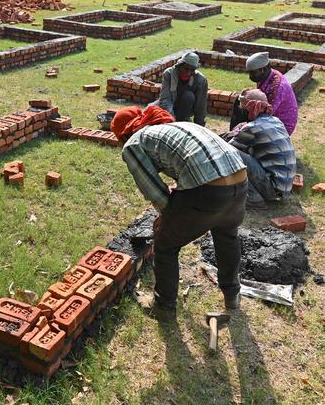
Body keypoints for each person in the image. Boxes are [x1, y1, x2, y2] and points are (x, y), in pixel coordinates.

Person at [111, 106, 247, 317]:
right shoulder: (173, 128)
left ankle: (164, 307)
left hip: (209, 190)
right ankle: (232, 296)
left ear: (122, 134)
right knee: (227, 236)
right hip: (240, 180)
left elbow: (155, 192)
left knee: (165, 245)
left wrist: (167, 219)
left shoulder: (133, 143)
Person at [226, 89, 296, 209]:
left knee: (229, 153)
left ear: (251, 107)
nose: (242, 110)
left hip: (273, 188)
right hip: (284, 187)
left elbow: (228, 148)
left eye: (243, 107)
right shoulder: (276, 121)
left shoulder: (252, 127)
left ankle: (254, 199)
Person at [229, 52, 298, 135]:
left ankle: (236, 137)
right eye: (249, 73)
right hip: (269, 118)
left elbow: (265, 112)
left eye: (253, 73)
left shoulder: (277, 86)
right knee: (239, 100)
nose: (250, 76)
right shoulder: (267, 76)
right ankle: (233, 135)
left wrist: (244, 125)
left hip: (281, 127)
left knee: (245, 110)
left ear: (264, 69)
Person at [152, 52, 207, 125]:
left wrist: (200, 127)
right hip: (169, 106)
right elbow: (166, 99)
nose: (188, 73)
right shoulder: (169, 74)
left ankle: (182, 120)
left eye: (192, 70)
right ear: (179, 66)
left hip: (185, 108)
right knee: (150, 109)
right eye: (186, 69)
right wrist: (171, 121)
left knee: (188, 96)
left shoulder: (201, 80)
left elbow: (200, 106)